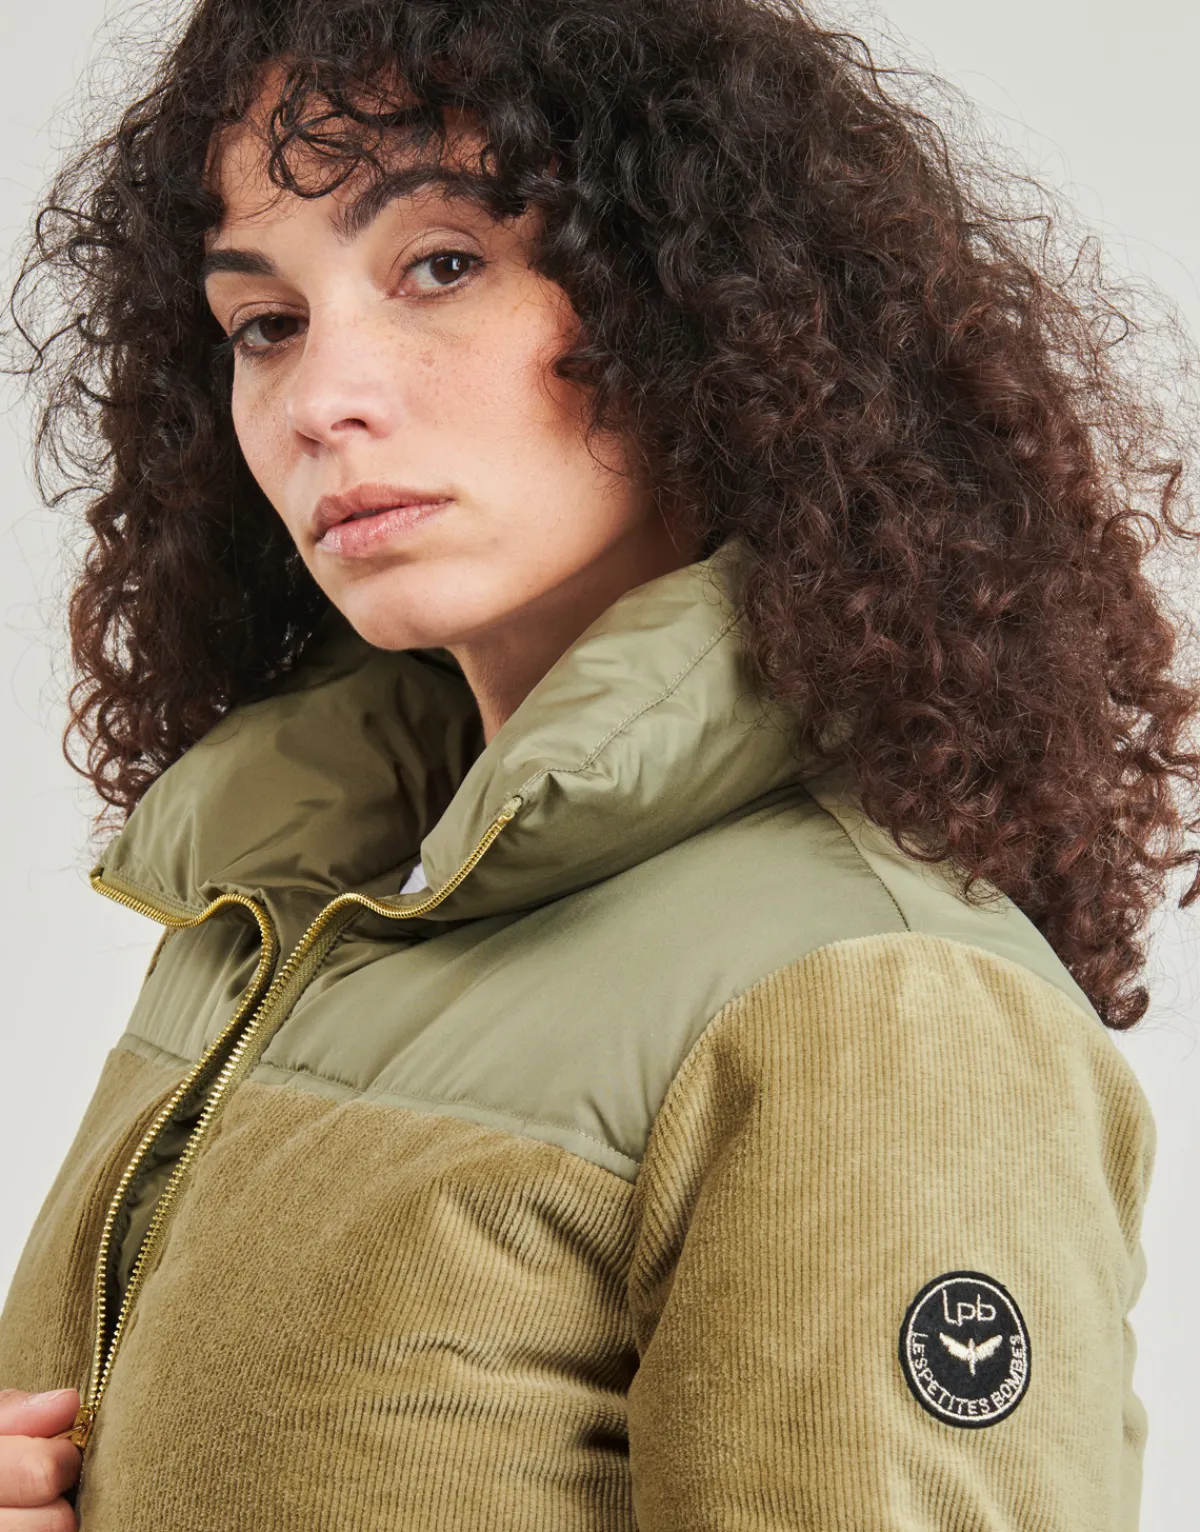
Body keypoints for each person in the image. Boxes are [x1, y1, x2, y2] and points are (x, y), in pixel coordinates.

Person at [0, 0, 1196, 1526]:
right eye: (265, 323)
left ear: (703, 301)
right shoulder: (275, 917)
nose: (319, 400)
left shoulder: (871, 1006)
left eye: (443, 264)